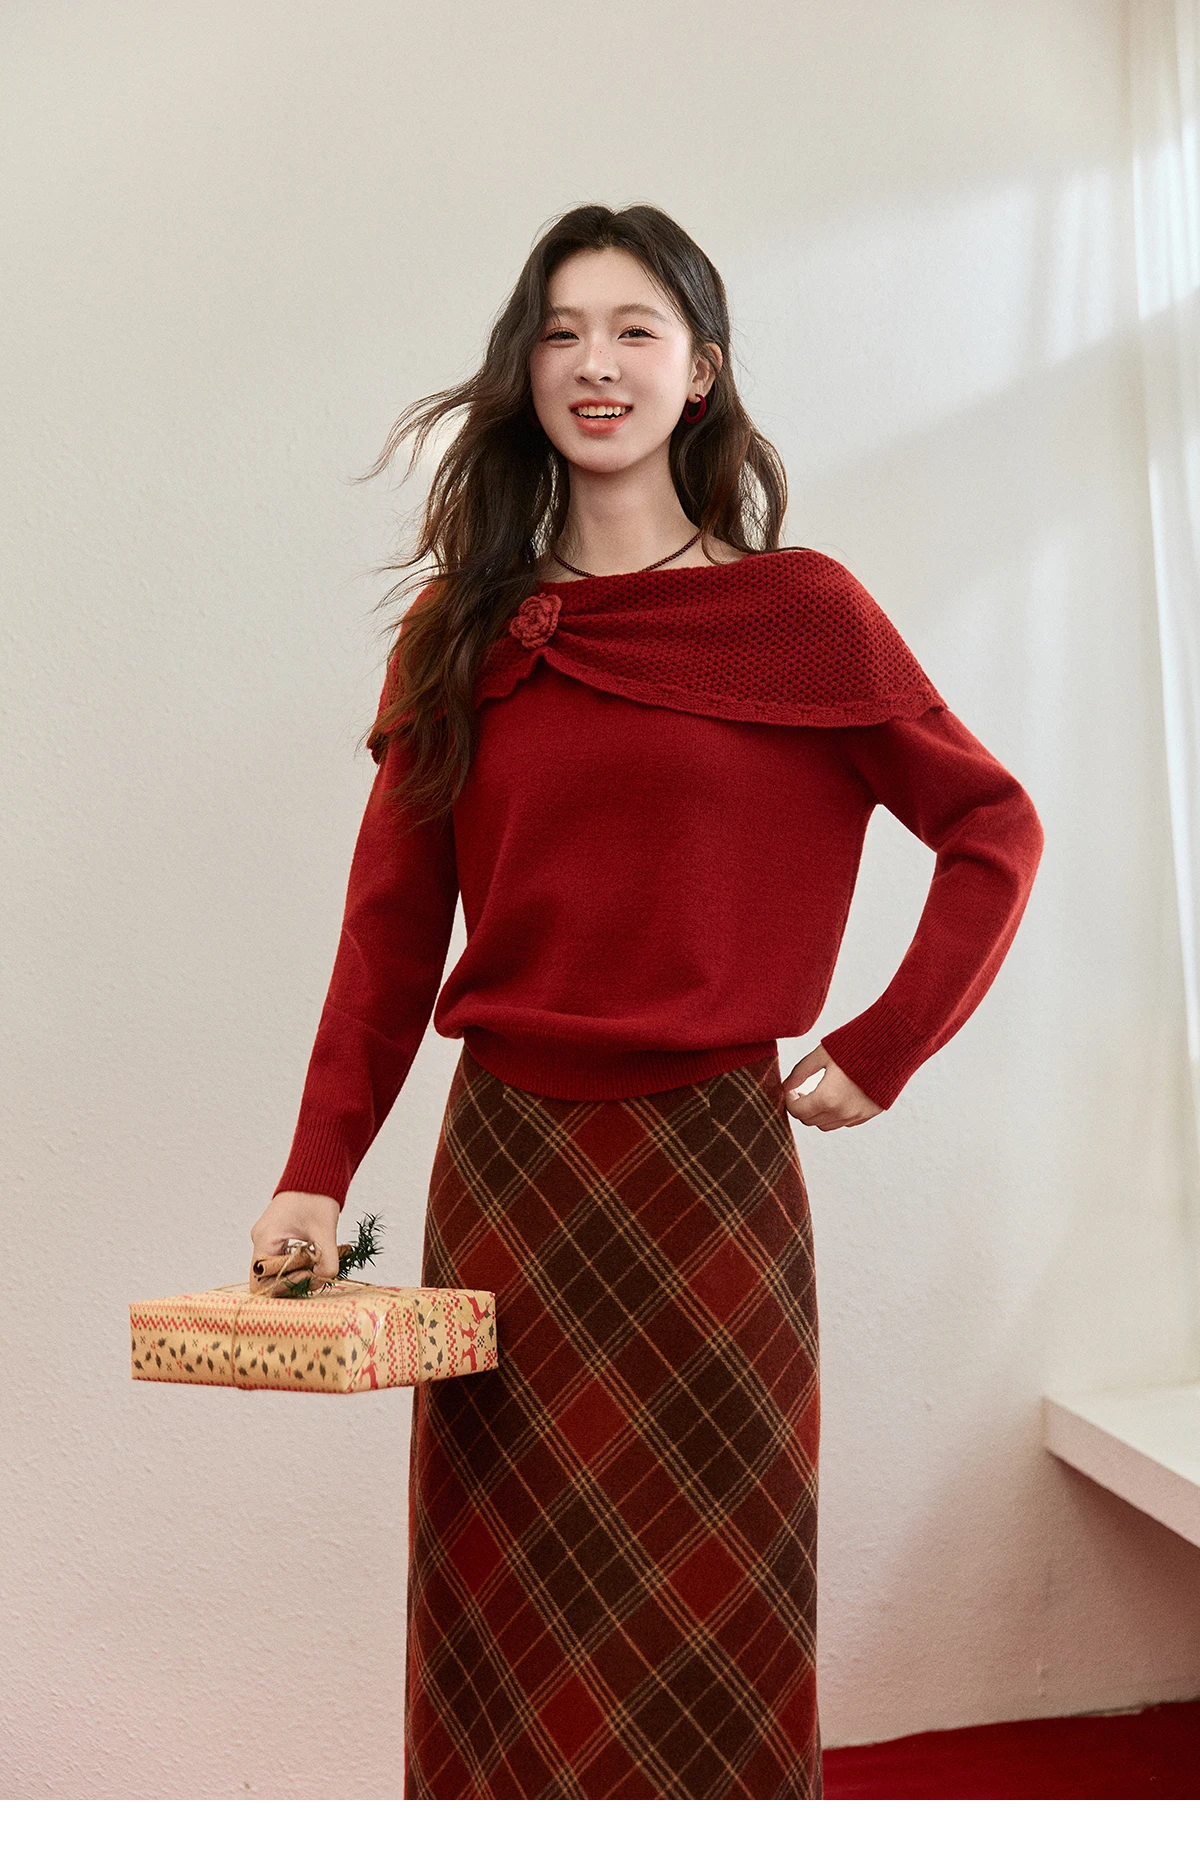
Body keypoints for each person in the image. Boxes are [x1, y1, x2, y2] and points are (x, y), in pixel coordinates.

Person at [250, 203, 1044, 1800]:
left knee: (716, 1611)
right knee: (502, 1611)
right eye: (560, 332)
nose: (594, 364)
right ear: (524, 368)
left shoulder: (802, 613)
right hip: (512, 1185)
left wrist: (888, 1043)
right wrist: (314, 1173)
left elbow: (992, 828)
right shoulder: (462, 631)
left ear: (702, 370)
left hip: (713, 1183)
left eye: (633, 330)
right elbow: (386, 941)